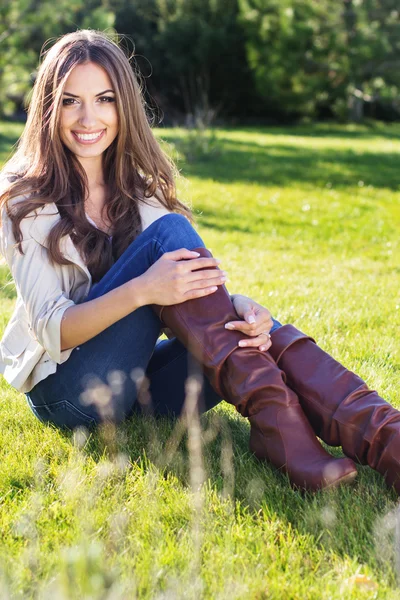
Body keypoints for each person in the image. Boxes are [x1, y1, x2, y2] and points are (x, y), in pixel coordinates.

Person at [0, 30, 398, 496]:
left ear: (123, 104)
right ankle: (285, 435)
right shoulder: (23, 196)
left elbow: (193, 295)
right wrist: (145, 289)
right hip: (70, 393)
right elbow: (53, 329)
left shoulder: (135, 185)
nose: (89, 118)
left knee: (252, 335)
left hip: (138, 386)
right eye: (71, 101)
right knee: (168, 238)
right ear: (49, 108)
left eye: (104, 99)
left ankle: (385, 438)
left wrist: (241, 309)